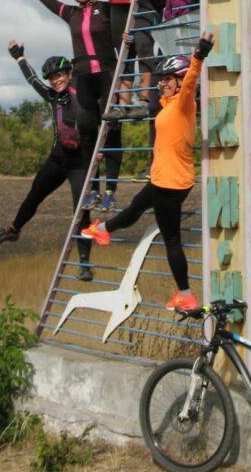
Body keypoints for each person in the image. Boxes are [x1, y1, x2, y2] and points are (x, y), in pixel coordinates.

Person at [82, 32, 214, 312]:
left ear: (179, 81)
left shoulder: (183, 103)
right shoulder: (168, 106)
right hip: (163, 180)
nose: (161, 84)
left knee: (173, 241)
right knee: (134, 209)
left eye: (167, 79)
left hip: (171, 184)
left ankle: (186, 295)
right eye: (160, 80)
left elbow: (190, 83)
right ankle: (102, 230)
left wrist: (198, 56)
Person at [0, 44, 95, 281]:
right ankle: (13, 230)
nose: (55, 80)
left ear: (68, 74)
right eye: (52, 77)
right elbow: (33, 79)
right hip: (57, 160)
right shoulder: (52, 96)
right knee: (33, 196)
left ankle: (85, 265)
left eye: (59, 75)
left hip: (81, 164)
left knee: (82, 212)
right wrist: (19, 57)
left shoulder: (83, 94)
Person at [24, 0, 122, 212]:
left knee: (111, 131)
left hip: (108, 72)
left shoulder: (107, 8)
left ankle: (110, 190)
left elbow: (123, 29)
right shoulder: (70, 14)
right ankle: (94, 191)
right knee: (88, 133)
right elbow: (51, 3)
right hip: (84, 78)